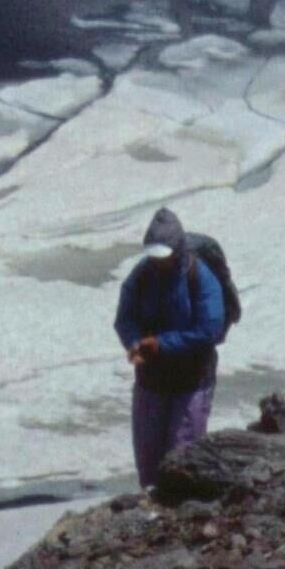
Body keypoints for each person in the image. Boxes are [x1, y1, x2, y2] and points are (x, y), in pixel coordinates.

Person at [114, 205, 234, 488]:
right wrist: (134, 343)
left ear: (177, 249)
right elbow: (125, 318)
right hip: (151, 381)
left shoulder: (199, 276)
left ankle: (180, 518)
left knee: (183, 458)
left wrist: (162, 344)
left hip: (191, 381)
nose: (158, 262)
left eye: (164, 256)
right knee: (149, 461)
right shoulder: (142, 275)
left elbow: (209, 328)